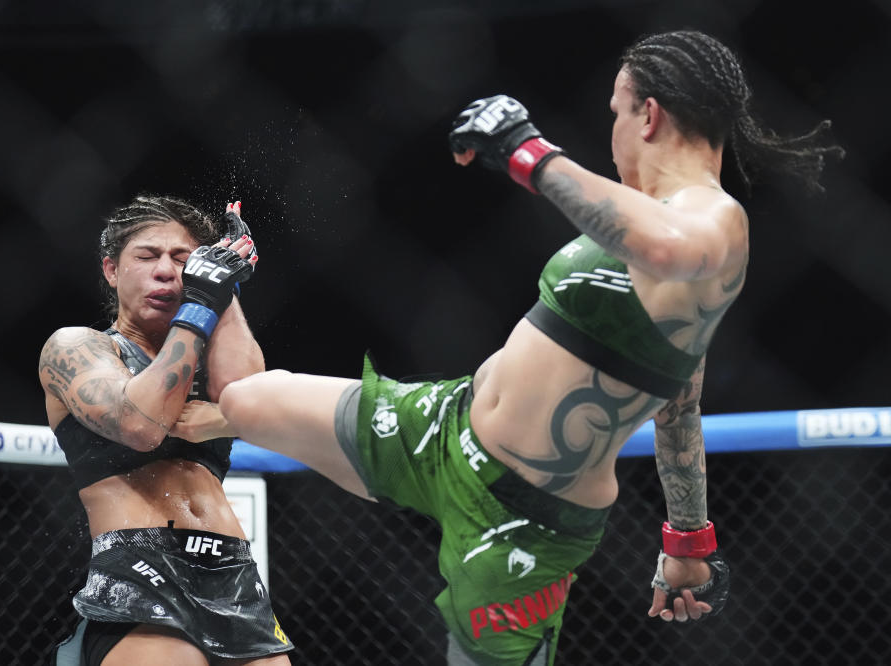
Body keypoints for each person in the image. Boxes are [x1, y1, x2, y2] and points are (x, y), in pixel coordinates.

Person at [218, 30, 842, 665]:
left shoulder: (716, 220)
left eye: (616, 114)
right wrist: (687, 539)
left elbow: (669, 246)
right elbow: (678, 406)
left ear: (647, 116)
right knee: (245, 401)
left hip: (524, 519)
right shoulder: (655, 238)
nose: (613, 134)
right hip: (442, 426)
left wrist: (528, 151)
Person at [42, 195, 293, 665]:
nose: (166, 271)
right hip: (141, 572)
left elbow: (251, 401)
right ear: (112, 270)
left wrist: (226, 285)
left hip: (233, 575)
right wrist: (199, 304)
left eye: (184, 261)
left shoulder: (206, 356)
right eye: (147, 256)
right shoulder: (81, 348)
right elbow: (140, 424)